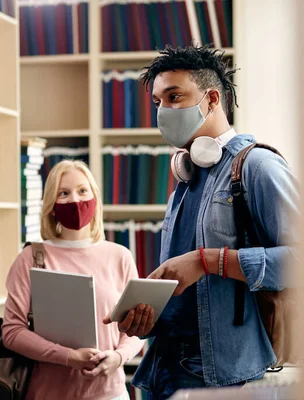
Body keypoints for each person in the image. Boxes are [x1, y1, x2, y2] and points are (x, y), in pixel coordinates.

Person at [103, 44, 300, 399]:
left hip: (224, 375)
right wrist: (148, 317)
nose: (164, 111)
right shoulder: (188, 174)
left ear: (211, 99)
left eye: (175, 96)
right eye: (158, 102)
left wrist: (209, 260)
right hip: (163, 370)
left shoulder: (258, 168)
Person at [2, 160, 144, 400]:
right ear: (51, 205)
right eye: (64, 193)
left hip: (110, 393)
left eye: (82, 191)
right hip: (49, 394)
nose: (75, 201)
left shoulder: (120, 256)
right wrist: (68, 356)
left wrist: (118, 357)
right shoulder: (31, 258)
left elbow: (136, 330)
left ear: (94, 197)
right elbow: (12, 331)